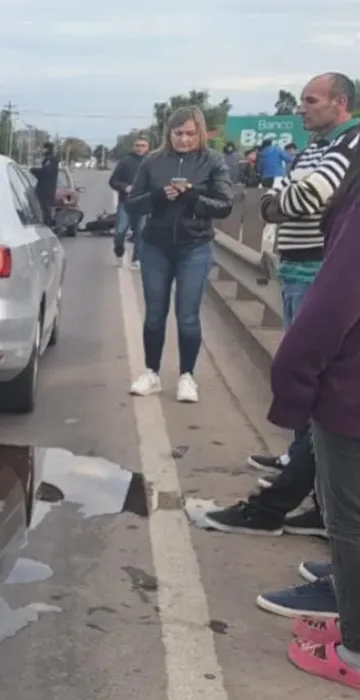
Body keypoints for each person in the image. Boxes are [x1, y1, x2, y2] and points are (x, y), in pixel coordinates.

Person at [213, 73, 360, 538]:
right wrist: (279, 200)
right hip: (296, 270)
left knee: (316, 394)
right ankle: (316, 498)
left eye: (310, 101)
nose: (301, 109)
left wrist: (278, 203)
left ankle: (306, 506)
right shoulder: (317, 146)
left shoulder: (348, 144)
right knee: (315, 402)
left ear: (340, 103)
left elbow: (306, 196)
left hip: (321, 273)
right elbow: (284, 195)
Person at [264, 133, 360, 690]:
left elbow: (332, 304)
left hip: (352, 392)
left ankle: (356, 649)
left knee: (350, 522)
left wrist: (294, 384)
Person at [123, 106, 233, 402]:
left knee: (187, 316)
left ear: (200, 133)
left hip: (194, 246)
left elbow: (224, 204)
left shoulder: (212, 162)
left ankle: (187, 376)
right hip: (156, 246)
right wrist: (158, 197)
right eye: (178, 133)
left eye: (190, 133)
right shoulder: (152, 162)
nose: (184, 139)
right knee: (155, 314)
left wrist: (193, 198)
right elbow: (132, 204)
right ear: (168, 134)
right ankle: (151, 373)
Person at [108, 137, 150, 268]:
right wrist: (125, 187)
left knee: (141, 232)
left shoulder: (152, 162)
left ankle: (136, 259)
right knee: (120, 231)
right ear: (133, 147)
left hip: (143, 204)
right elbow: (113, 181)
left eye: (143, 145)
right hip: (126, 203)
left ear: (148, 147)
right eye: (137, 145)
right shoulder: (125, 161)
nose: (140, 148)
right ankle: (119, 250)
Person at [31, 143, 60, 229]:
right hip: (43, 188)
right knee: (42, 208)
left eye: (44, 148)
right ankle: (46, 223)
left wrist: (34, 170)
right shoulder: (46, 160)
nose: (42, 150)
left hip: (46, 189)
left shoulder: (52, 160)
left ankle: (48, 225)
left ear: (48, 149)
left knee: (45, 209)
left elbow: (46, 172)